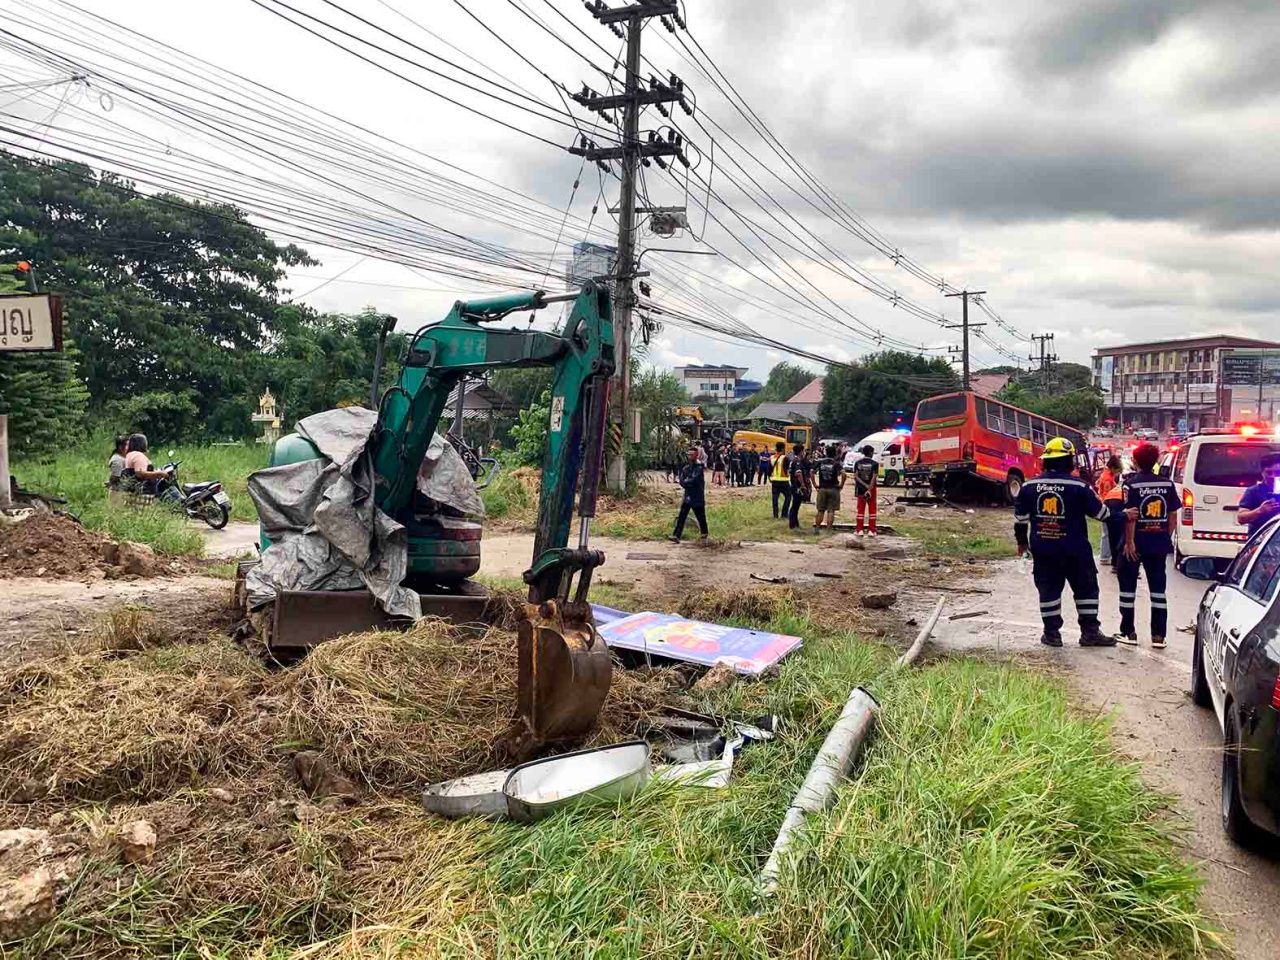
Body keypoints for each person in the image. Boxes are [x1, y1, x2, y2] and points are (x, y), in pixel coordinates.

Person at [1012, 437, 1114, 648]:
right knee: (1086, 590)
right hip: (1076, 550)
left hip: (1044, 550)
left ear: (1046, 461)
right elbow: (1102, 514)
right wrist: (1123, 514)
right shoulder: (1080, 487)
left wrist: (1022, 543)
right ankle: (1090, 633)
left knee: (1048, 590)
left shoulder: (1028, 487)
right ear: (1069, 461)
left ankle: (1052, 634)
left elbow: (1020, 521)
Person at [1116, 442, 1180, 649]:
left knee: (1127, 588)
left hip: (1136, 542)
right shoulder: (1168, 485)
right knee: (1158, 590)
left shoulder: (1131, 484)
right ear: (1156, 461)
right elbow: (1172, 515)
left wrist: (1129, 541)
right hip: (1158, 543)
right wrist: (1165, 536)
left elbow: (1131, 515)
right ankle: (1159, 636)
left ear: (1135, 461)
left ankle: (1128, 632)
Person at [1237, 452, 1280, 539]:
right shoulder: (1253, 491)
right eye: (1269, 472)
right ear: (1262, 472)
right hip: (1260, 543)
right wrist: (1260, 511)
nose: (1273, 476)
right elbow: (1241, 518)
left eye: (1277, 472)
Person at [670, 446, 708, 542]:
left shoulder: (699, 468)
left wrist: (686, 482)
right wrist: (686, 482)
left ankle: (704, 534)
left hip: (697, 496)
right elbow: (682, 481)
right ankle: (676, 535)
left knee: (701, 517)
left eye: (692, 454)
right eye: (689, 454)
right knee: (682, 516)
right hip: (688, 496)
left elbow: (693, 480)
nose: (690, 456)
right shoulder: (686, 468)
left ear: (696, 455)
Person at [1095, 455, 1125, 566]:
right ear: (1113, 468)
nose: (1118, 473)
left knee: (1106, 532)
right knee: (1107, 533)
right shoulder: (1107, 478)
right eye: (1117, 470)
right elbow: (1108, 494)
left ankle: (1105, 556)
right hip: (1107, 506)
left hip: (1105, 505)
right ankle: (1105, 556)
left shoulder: (1106, 475)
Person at [811, 443, 845, 530]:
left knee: (820, 510)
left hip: (822, 488)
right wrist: (841, 484)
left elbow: (811, 472)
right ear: (835, 453)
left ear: (826, 452)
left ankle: (817, 529)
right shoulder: (836, 463)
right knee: (831, 510)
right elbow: (844, 474)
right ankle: (828, 529)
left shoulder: (820, 462)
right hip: (833, 488)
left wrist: (815, 484)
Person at [850, 444, 879, 536]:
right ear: (871, 453)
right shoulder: (875, 464)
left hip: (860, 489)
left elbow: (856, 476)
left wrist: (864, 486)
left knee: (860, 509)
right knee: (872, 509)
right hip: (872, 489)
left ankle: (859, 530)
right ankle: (872, 530)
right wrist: (869, 489)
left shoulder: (858, 463)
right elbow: (874, 477)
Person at [787, 443, 810, 530]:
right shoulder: (797, 461)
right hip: (797, 486)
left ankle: (795, 523)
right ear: (801, 451)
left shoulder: (793, 460)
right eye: (803, 451)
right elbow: (798, 473)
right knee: (795, 506)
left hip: (794, 485)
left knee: (796, 506)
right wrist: (803, 485)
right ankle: (792, 524)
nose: (804, 453)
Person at [769, 441, 792, 520]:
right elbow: (787, 469)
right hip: (784, 480)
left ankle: (775, 515)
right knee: (788, 496)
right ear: (783, 448)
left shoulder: (771, 457)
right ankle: (784, 514)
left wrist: (770, 478)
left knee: (775, 498)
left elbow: (769, 470)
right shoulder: (785, 458)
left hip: (774, 480)